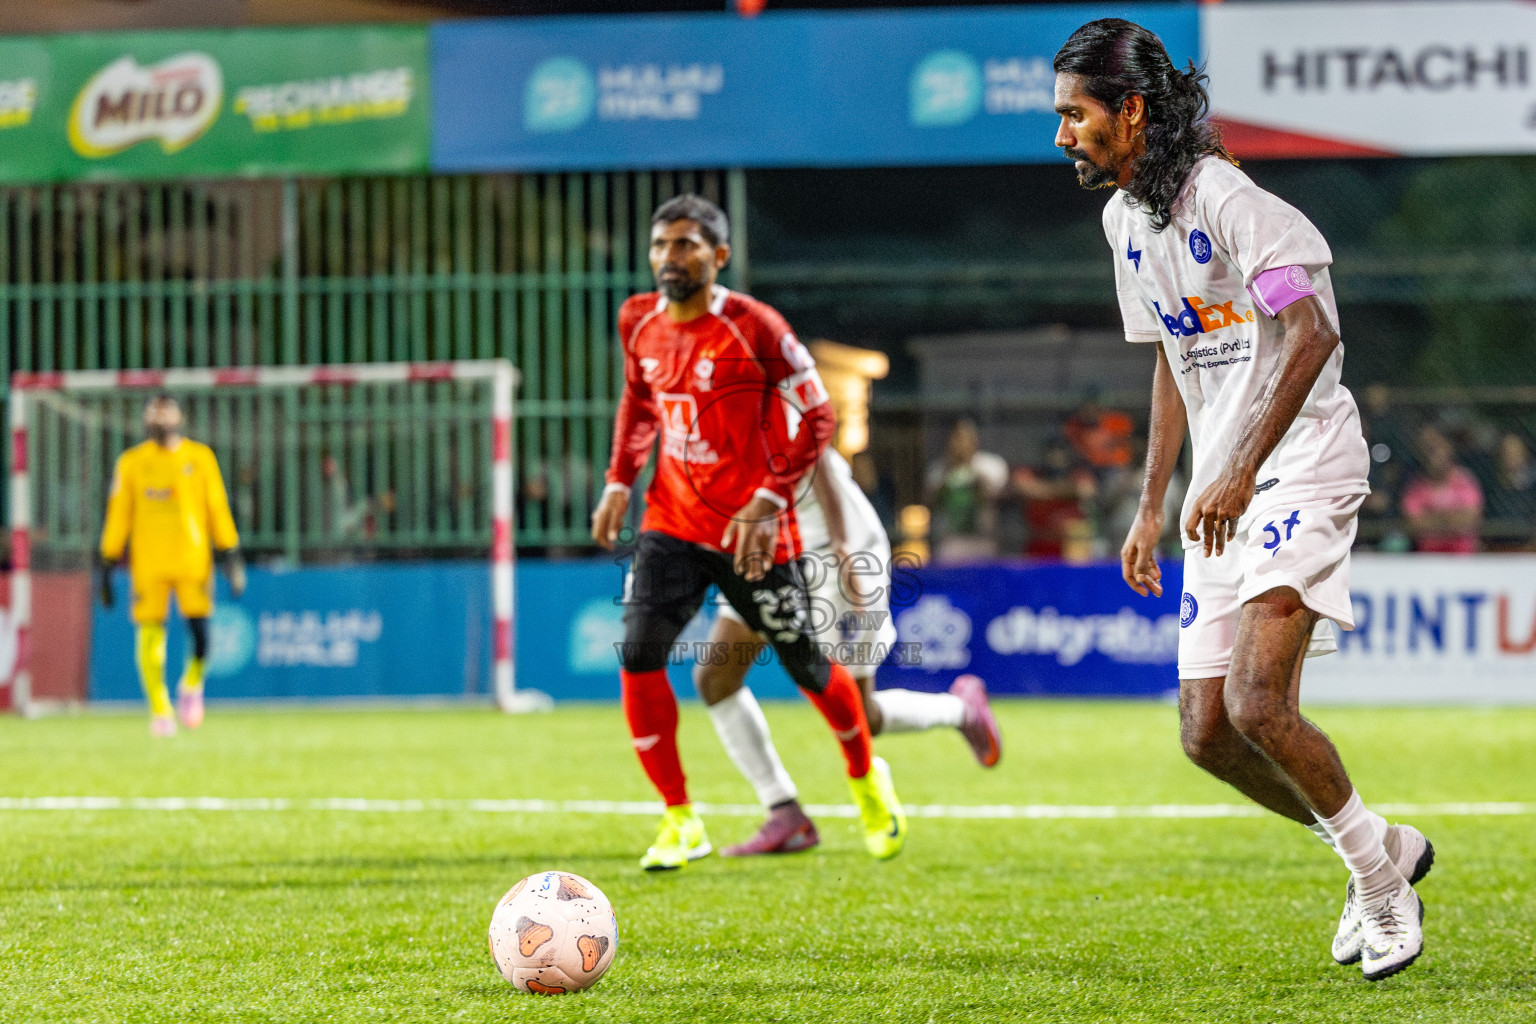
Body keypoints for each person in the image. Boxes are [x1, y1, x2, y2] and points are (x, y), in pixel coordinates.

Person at [1055, 19, 1431, 980]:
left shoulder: (1224, 198)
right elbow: (1176, 364)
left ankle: (1382, 891)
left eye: (1076, 113)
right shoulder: (1124, 223)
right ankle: (1378, 845)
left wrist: (1231, 469)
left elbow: (1308, 335)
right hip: (1220, 489)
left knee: (1260, 702)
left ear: (1130, 110)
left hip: (1302, 461)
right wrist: (1152, 502)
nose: (1062, 133)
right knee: (1207, 734)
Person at [590, 194, 904, 871]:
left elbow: (818, 418)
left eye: (685, 245)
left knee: (810, 669)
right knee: (640, 655)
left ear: (719, 256)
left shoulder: (753, 326)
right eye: (660, 246)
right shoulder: (636, 321)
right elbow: (640, 401)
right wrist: (620, 478)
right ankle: (679, 819)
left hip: (754, 534)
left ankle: (864, 781)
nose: (669, 259)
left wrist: (765, 502)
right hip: (672, 522)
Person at [693, 445, 1004, 856]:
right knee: (716, 676)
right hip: (767, 546)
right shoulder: (689, 393)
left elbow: (811, 447)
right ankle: (784, 813)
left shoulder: (767, 384)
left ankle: (960, 710)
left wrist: (843, 546)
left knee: (858, 714)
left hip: (831, 550)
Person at [97, 395, 246, 736]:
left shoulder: (199, 458)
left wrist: (230, 551)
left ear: (179, 417)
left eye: (165, 415)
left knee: (202, 636)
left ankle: (191, 684)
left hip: (193, 561)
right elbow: (119, 514)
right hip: (149, 564)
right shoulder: (132, 463)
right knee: (150, 634)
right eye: (153, 415)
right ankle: (160, 709)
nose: (159, 422)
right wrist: (107, 560)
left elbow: (216, 508)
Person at [924, 418, 1009, 564]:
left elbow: (1001, 499)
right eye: (957, 438)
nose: (962, 443)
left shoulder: (992, 465)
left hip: (983, 539)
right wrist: (949, 469)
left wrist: (973, 470)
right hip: (950, 541)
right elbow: (928, 502)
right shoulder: (938, 469)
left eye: (966, 437)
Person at [1401, 425, 1483, 554]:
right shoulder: (1416, 487)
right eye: (1429, 450)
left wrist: (1432, 519)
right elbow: (1415, 524)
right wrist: (1452, 519)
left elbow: (1471, 518)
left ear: (1448, 448)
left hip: (1462, 556)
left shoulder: (1464, 480)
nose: (1434, 454)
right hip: (1428, 558)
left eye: (1438, 447)